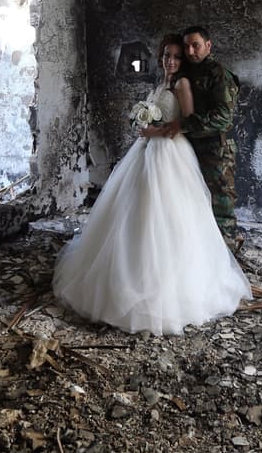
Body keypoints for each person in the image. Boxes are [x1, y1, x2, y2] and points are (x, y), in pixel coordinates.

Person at [52, 34, 250, 335]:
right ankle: (125, 273)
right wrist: (142, 125)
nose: (170, 60)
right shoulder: (161, 84)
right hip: (146, 152)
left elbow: (185, 123)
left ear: (184, 60)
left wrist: (154, 131)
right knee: (134, 210)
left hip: (170, 154)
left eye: (176, 56)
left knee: (167, 214)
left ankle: (166, 287)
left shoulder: (182, 84)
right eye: (166, 55)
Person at [159, 26, 243, 249]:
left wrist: (183, 124)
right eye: (187, 46)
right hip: (192, 147)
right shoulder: (189, 72)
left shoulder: (219, 74)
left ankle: (228, 256)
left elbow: (223, 118)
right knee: (198, 203)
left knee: (221, 206)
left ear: (208, 45)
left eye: (195, 45)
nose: (190, 50)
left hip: (217, 150)